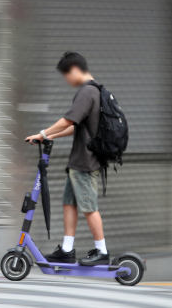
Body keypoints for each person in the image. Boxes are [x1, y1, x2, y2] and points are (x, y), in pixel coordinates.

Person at [24, 51, 109, 266]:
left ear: (74, 70)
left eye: (66, 75)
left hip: (85, 162)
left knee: (89, 207)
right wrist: (50, 136)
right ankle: (67, 249)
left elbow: (67, 120)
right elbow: (75, 127)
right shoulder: (95, 91)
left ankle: (102, 251)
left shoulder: (87, 92)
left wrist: (43, 133)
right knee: (69, 203)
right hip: (78, 161)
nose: (67, 80)